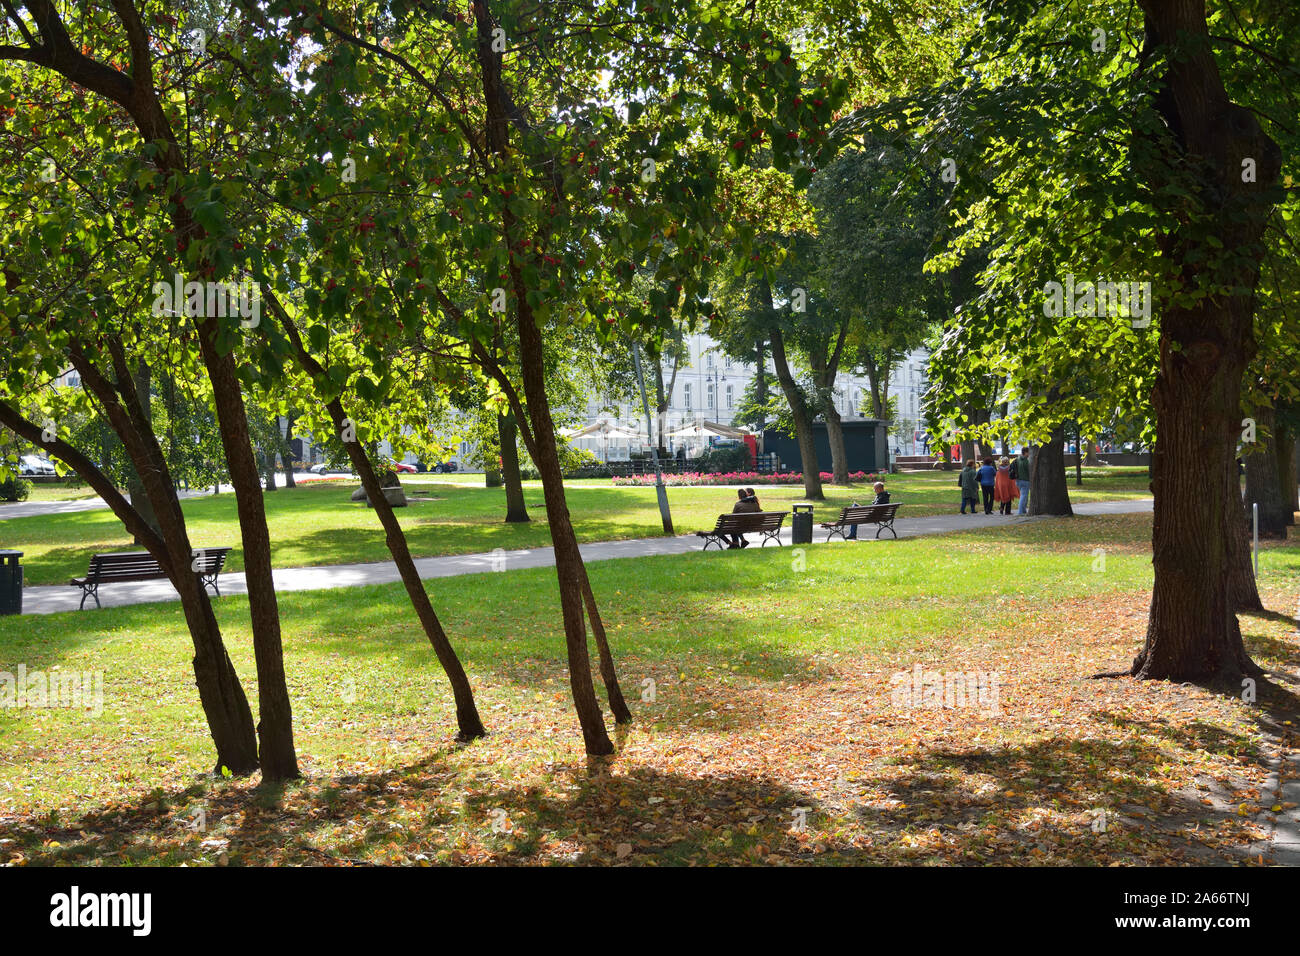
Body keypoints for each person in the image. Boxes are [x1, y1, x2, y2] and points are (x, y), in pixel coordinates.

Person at [1014, 447, 1031, 515]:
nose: (1029, 454)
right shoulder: (1026, 461)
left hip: (1018, 480)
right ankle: (1020, 512)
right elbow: (1029, 471)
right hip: (1025, 480)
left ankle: (1023, 510)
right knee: (1024, 496)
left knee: (1024, 496)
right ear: (1026, 452)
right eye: (1029, 452)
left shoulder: (1018, 459)